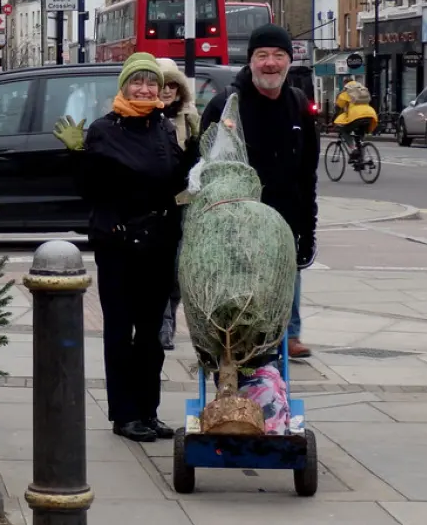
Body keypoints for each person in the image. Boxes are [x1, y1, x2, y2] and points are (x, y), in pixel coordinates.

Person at [53, 52, 198, 443]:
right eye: (138, 82)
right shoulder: (104, 129)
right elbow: (89, 190)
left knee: (151, 333)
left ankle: (148, 411)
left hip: (159, 241)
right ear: (124, 86)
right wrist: (76, 155)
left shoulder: (164, 129)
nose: (146, 89)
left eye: (152, 83)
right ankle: (124, 414)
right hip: (118, 242)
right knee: (120, 330)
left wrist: (197, 148)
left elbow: (176, 182)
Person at [200, 24, 320, 359]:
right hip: (237, 222)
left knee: (285, 277)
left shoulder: (298, 105)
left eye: (278, 55)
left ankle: (288, 334)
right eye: (262, 55)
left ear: (289, 60)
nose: (271, 63)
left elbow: (308, 173)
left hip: (283, 218)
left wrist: (308, 230)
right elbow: (203, 168)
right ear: (250, 60)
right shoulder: (226, 106)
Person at [154, 57, 202, 351]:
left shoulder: (188, 117)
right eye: (163, 83)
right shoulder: (146, 117)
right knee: (157, 268)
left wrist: (196, 143)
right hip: (154, 204)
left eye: (173, 84)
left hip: (183, 203)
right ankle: (162, 323)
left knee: (177, 270)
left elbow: (197, 164)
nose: (168, 90)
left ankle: (169, 313)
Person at [333, 81, 378, 164]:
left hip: (356, 116)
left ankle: (353, 149)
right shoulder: (362, 90)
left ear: (345, 84)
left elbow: (339, 106)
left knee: (344, 131)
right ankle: (362, 160)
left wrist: (334, 119)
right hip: (370, 115)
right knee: (360, 137)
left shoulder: (346, 92)